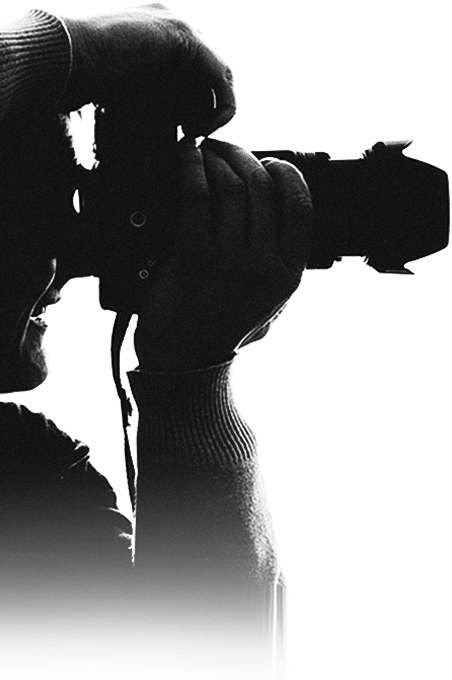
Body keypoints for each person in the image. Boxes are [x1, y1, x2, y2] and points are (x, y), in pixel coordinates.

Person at [0, 5, 313, 678]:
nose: (68, 263)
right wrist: (74, 49)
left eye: (73, 211)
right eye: (28, 211)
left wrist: (192, 386)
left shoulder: (29, 482)